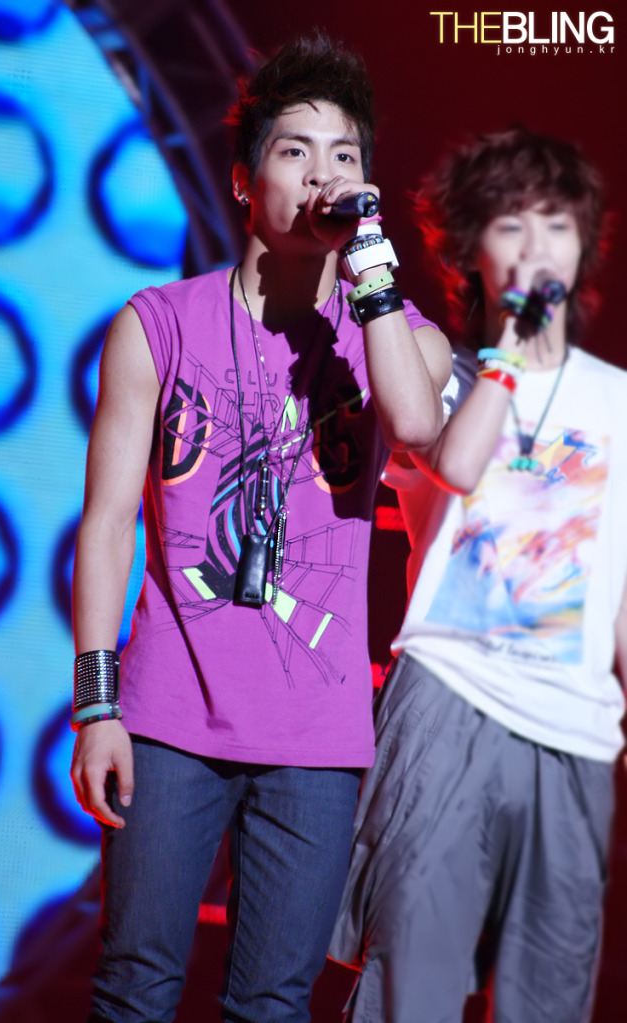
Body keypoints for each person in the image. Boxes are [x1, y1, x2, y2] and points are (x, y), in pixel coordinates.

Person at [69, 32, 451, 1023]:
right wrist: (96, 705)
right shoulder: (157, 323)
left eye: (343, 156)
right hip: (165, 717)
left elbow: (417, 426)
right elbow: (106, 523)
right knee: (135, 986)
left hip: (316, 736)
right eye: (295, 151)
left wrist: (371, 275)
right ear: (243, 181)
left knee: (275, 1003)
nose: (322, 175)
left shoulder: (396, 334)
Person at [329, 126, 627, 1022]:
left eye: (556, 225)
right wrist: (512, 348)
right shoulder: (446, 379)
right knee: (411, 986)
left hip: (574, 728)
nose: (538, 246)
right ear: (469, 253)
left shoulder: (617, 400)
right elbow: (452, 461)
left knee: (547, 993)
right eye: (511, 225)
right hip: (449, 701)